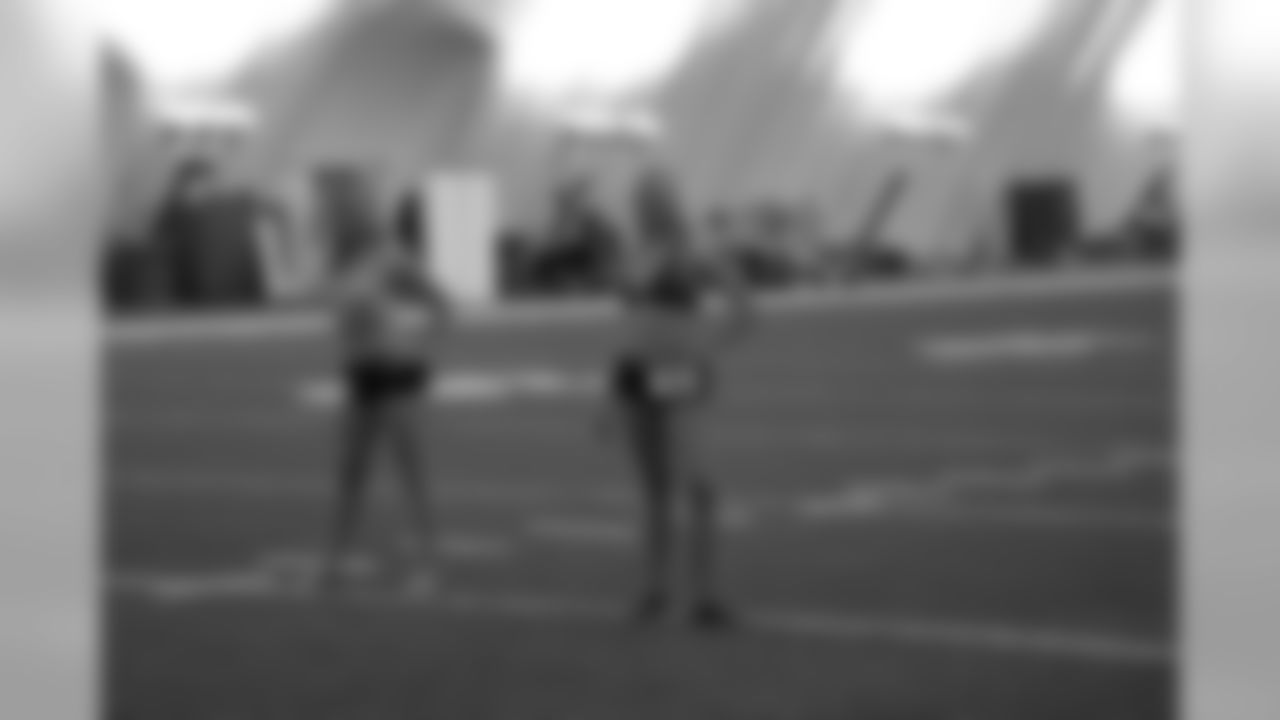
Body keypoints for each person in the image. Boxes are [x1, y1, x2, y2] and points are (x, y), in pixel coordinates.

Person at [596, 167, 755, 629]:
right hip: (635, 373)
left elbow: (744, 307)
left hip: (680, 374)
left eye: (653, 200)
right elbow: (626, 322)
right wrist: (609, 394)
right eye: (641, 201)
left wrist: (708, 345)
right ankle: (654, 590)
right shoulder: (632, 253)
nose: (645, 208)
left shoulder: (696, 248)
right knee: (654, 489)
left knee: (701, 483)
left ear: (670, 202)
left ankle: (705, 594)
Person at [316, 169, 454, 596]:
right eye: (338, 209)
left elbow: (440, 302)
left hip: (397, 369)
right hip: (361, 371)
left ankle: (429, 562)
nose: (342, 215)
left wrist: (418, 342)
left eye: (350, 208)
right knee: (351, 469)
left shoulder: (389, 255)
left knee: (409, 468)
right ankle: (336, 560)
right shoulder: (339, 260)